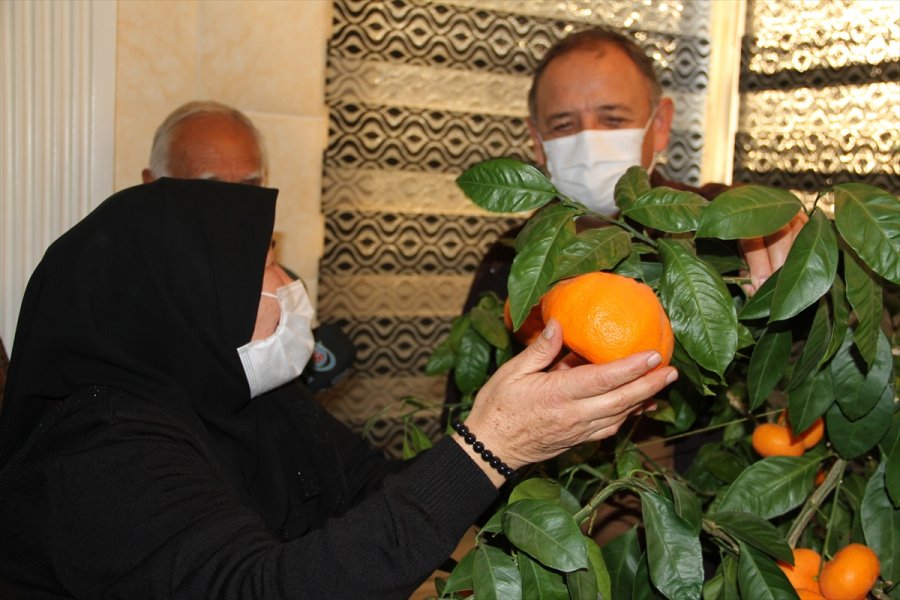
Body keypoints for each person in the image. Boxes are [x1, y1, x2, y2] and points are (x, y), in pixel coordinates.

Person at [0, 178, 677, 598]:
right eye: (266, 266)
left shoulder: (254, 401)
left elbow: (380, 494)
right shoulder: (96, 455)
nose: (290, 283)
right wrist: (491, 443)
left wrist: (538, 423)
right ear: (186, 303)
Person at [463, 27, 806, 314]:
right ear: (538, 141)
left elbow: (729, 207)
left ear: (659, 125)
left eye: (613, 119)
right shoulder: (510, 258)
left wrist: (767, 216)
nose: (590, 142)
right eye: (563, 125)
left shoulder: (710, 233)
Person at [142, 100, 353, 392]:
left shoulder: (281, 292)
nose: (235, 207)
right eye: (211, 188)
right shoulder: (123, 298)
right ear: (152, 186)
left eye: (249, 187)